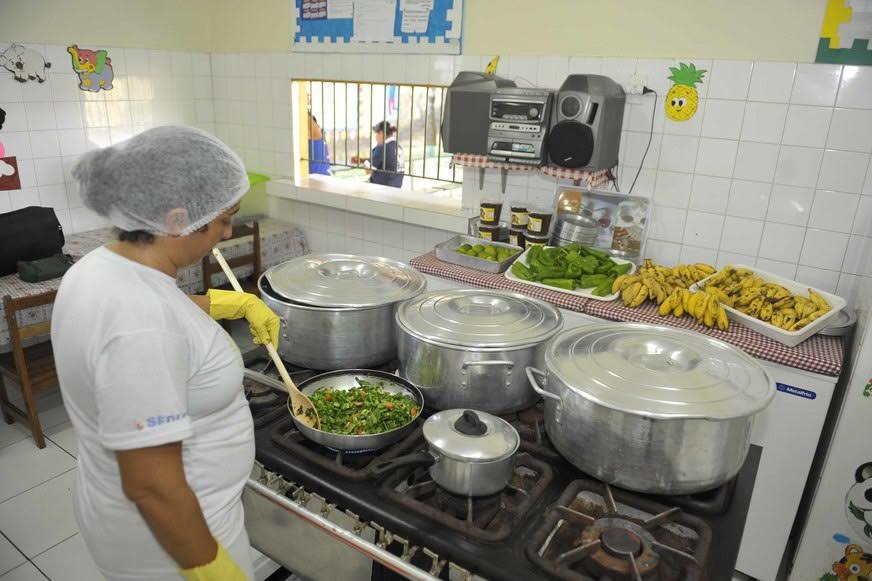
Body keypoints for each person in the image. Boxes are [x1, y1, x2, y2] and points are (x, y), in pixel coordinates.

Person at [51, 126, 280, 581]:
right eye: (222, 219)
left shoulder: (102, 265)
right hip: (175, 545)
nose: (228, 231)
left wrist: (226, 302)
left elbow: (161, 314)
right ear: (176, 220)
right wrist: (212, 571)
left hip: (143, 515)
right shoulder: (140, 326)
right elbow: (152, 486)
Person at [368, 120, 404, 188]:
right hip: (397, 187)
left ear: (381, 133)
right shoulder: (398, 146)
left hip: (383, 189)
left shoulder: (383, 147)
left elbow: (368, 170)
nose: (376, 137)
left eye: (376, 134)